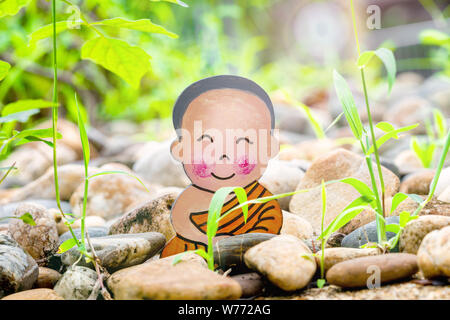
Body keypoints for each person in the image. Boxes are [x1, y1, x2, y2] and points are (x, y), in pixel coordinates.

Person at [160, 75, 282, 258]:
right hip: (191, 252)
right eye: (206, 141)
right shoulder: (191, 198)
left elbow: (267, 231)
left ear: (269, 148)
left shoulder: (261, 202)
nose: (223, 154)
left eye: (243, 141)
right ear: (180, 150)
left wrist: (238, 246)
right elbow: (181, 221)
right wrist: (205, 239)